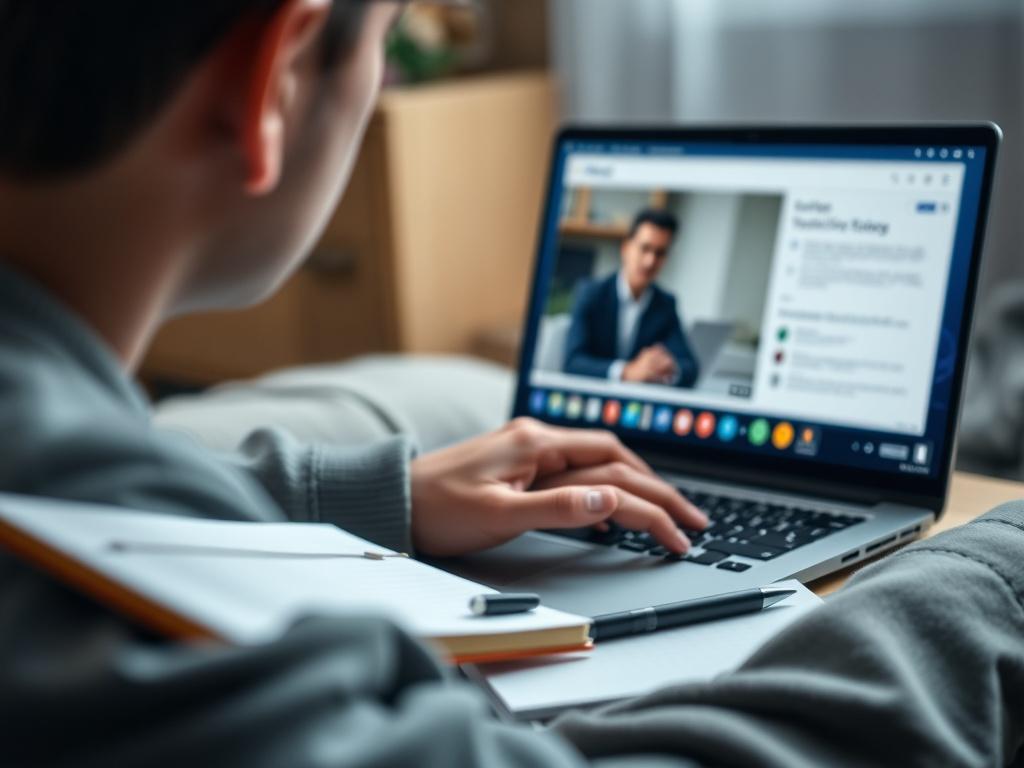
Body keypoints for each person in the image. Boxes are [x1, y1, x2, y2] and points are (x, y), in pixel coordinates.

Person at [1, 3, 1022, 766]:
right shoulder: (83, 605)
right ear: (275, 74)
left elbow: (106, 492)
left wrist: (375, 498)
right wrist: (997, 574)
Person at [564, 209, 700, 387]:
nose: (650, 261)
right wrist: (627, 371)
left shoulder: (665, 304)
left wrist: (667, 367)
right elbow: (573, 362)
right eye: (645, 248)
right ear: (626, 248)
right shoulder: (591, 293)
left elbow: (690, 367)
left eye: (660, 253)